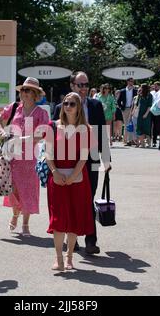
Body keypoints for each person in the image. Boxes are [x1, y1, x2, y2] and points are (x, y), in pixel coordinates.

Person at [52, 71, 111, 255]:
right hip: (67, 160)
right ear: (72, 86)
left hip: (91, 158)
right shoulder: (62, 107)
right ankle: (72, 239)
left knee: (87, 198)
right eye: (80, 85)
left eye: (86, 85)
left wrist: (106, 159)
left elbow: (102, 132)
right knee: (69, 199)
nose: (84, 88)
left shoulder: (95, 105)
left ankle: (90, 240)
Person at [45, 92, 95, 271]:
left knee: (73, 219)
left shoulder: (86, 129)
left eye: (72, 104)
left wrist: (73, 176)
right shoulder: (52, 126)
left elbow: (84, 157)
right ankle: (58, 258)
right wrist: (54, 172)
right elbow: (48, 154)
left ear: (78, 107)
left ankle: (69, 257)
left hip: (78, 179)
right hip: (56, 178)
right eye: (65, 103)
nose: (67, 106)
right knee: (58, 220)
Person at [0, 77, 49, 237]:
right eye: (23, 90)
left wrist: (22, 139)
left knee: (29, 191)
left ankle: (25, 223)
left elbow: (41, 135)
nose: (24, 93)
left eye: (28, 90)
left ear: (35, 94)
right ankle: (15, 213)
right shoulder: (14, 107)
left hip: (30, 157)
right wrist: (2, 131)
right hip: (12, 155)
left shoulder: (41, 113)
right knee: (13, 189)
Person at [117, 77, 137, 146]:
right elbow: (118, 101)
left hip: (133, 109)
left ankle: (131, 140)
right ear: (127, 82)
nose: (132, 83)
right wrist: (122, 108)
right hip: (125, 109)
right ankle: (127, 140)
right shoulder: (122, 91)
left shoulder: (135, 91)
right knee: (126, 125)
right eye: (131, 81)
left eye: (133, 81)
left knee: (132, 124)